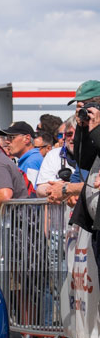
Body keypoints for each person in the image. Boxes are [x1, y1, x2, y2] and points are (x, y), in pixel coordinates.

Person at [67, 79, 100, 266]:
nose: (83, 110)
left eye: (86, 105)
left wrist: (96, 129)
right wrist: (81, 127)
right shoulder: (92, 127)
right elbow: (84, 160)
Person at [0, 121, 43, 189]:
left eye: (11, 137)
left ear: (27, 139)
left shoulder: (31, 161)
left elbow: (30, 195)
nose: (7, 141)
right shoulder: (31, 159)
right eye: (7, 138)